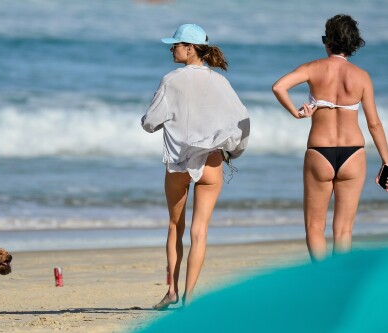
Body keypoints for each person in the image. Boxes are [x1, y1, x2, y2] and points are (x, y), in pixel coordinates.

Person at [141, 23, 250, 309]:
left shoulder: (171, 80)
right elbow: (243, 121)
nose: (171, 49)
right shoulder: (220, 83)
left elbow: (149, 123)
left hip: (178, 161)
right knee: (200, 231)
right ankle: (189, 300)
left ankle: (173, 292)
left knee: (176, 225)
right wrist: (233, 151)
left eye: (175, 45)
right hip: (212, 160)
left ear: (190, 48)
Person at [272, 14, 388, 262]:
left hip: (319, 152)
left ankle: (320, 286)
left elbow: (278, 87)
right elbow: (374, 124)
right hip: (353, 154)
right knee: (344, 230)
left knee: (315, 226)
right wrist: (387, 162)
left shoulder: (312, 68)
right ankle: (339, 287)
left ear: (329, 42)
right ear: (352, 43)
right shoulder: (362, 77)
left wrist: (296, 112)